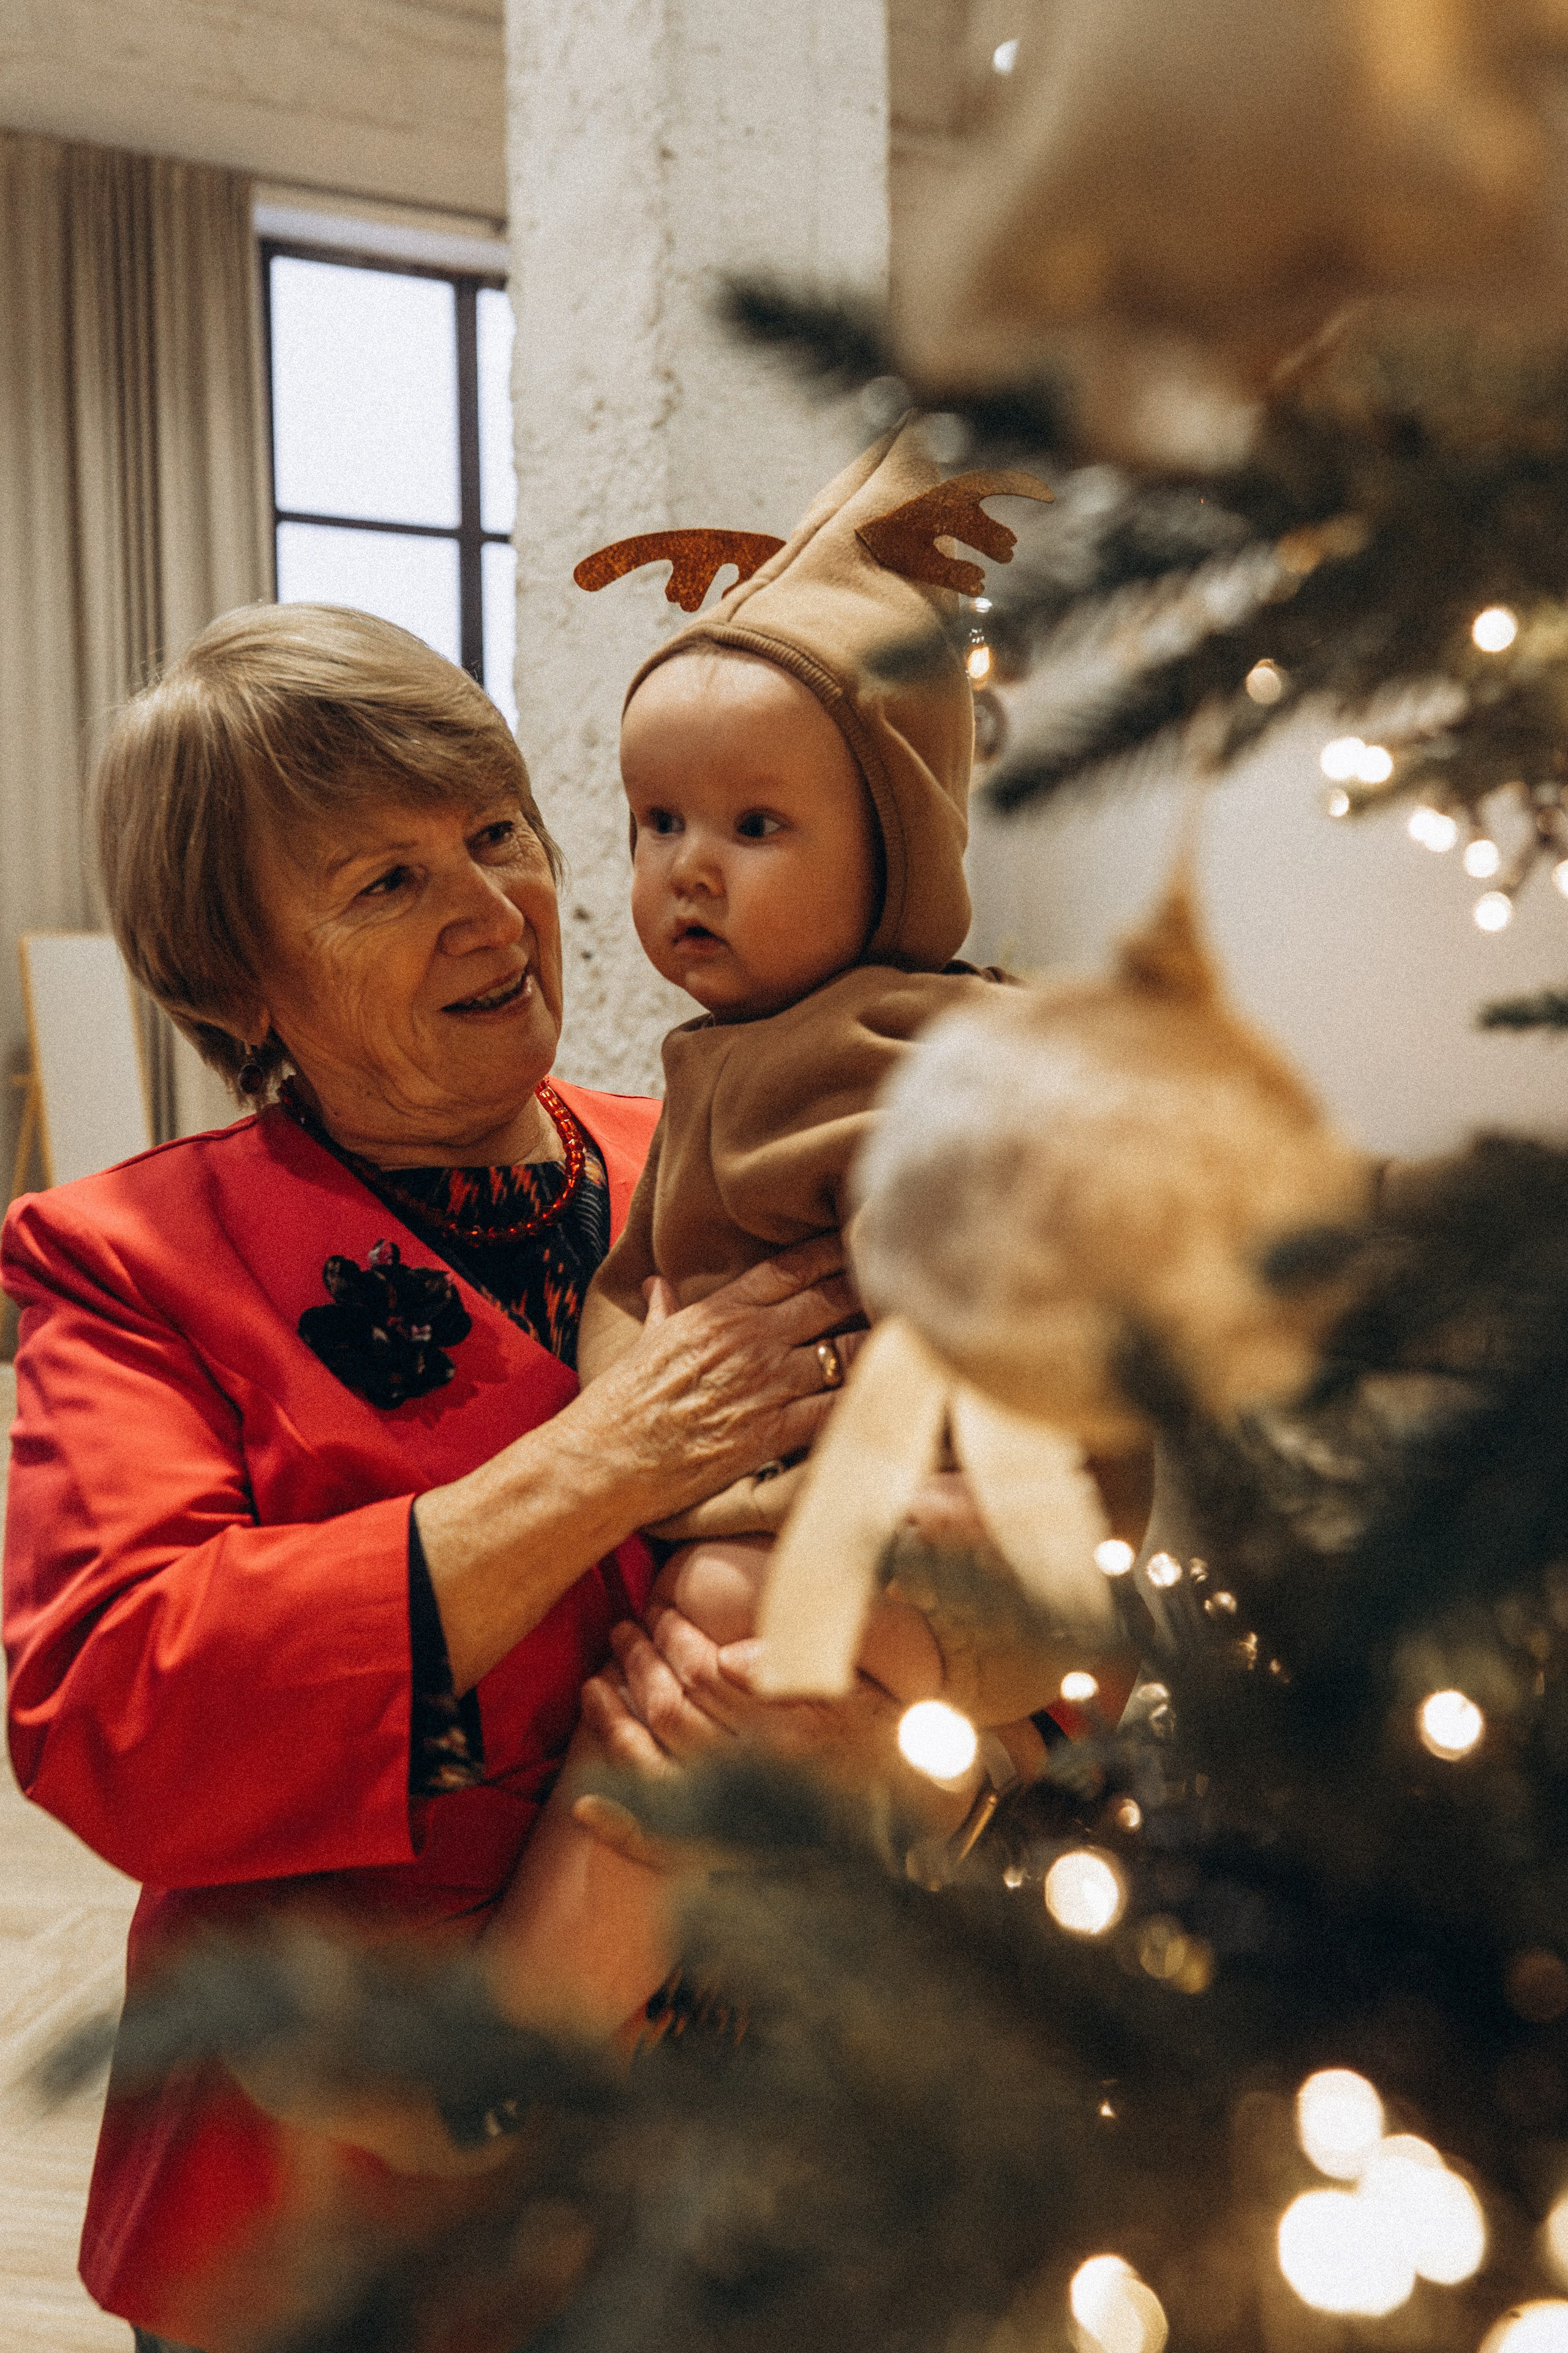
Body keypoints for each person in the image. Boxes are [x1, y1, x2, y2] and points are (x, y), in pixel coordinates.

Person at [0, 604, 891, 2353]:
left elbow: (988, 1511)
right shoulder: (129, 1262)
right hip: (341, 2206)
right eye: (382, 883)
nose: (494, 909)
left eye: (497, 833)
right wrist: (611, 1458)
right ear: (239, 981)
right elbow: (119, 1697)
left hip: (748, 2166)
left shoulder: (726, 1163)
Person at [478, 425, 1137, 2038]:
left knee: (704, 1636)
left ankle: (525, 2034)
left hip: (953, 1528)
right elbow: (640, 1284)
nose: (687, 870)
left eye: (755, 827)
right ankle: (684, 2013)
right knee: (692, 1652)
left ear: (895, 842)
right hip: (810, 1519)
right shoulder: (724, 1061)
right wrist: (624, 1408)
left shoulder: (919, 1057)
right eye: (654, 824)